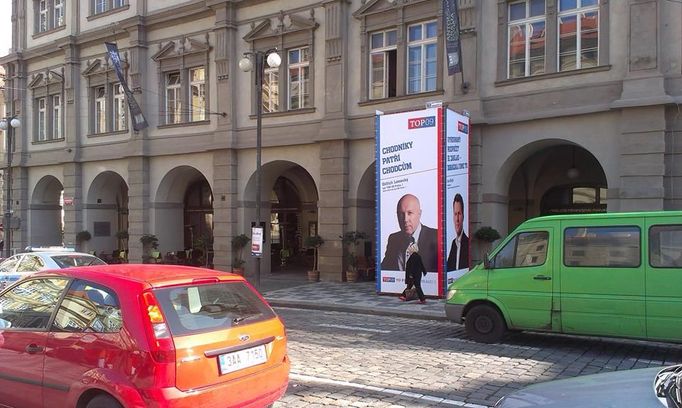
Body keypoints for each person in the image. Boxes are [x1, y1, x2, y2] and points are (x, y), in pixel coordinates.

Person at [381, 193, 438, 272]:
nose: (405, 219)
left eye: (410, 213)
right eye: (401, 214)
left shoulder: (435, 236)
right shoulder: (393, 239)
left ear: (419, 213)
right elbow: (385, 268)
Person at [447, 193, 469, 271]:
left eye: (459, 214)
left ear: (463, 216)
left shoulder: (467, 243)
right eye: (455, 214)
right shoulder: (453, 244)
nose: (457, 219)